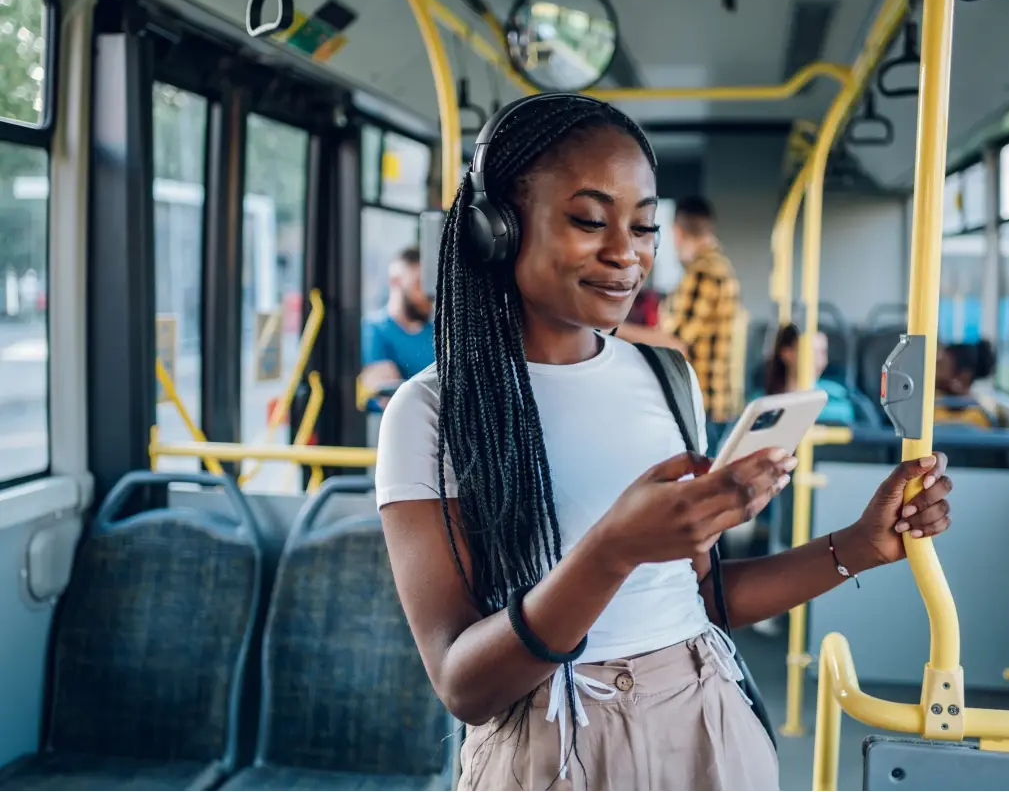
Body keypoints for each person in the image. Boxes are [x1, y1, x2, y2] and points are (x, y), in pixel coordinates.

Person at [375, 93, 957, 792]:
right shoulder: (431, 412)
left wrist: (859, 545)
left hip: (705, 717)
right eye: (590, 220)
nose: (626, 253)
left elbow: (702, 600)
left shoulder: (666, 375)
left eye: (646, 226)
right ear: (497, 229)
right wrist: (612, 550)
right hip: (552, 740)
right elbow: (463, 685)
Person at [360, 246, 436, 396]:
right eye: (419, 285)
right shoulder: (373, 329)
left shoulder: (437, 334)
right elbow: (388, 395)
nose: (428, 296)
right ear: (395, 281)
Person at [764, 324, 856, 425]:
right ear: (787, 353)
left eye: (822, 353)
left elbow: (846, 414)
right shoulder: (763, 403)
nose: (820, 361)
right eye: (812, 352)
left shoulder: (837, 395)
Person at [935, 339, 998, 428]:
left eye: (940, 366)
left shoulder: (978, 418)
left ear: (963, 377)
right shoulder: (933, 399)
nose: (933, 371)